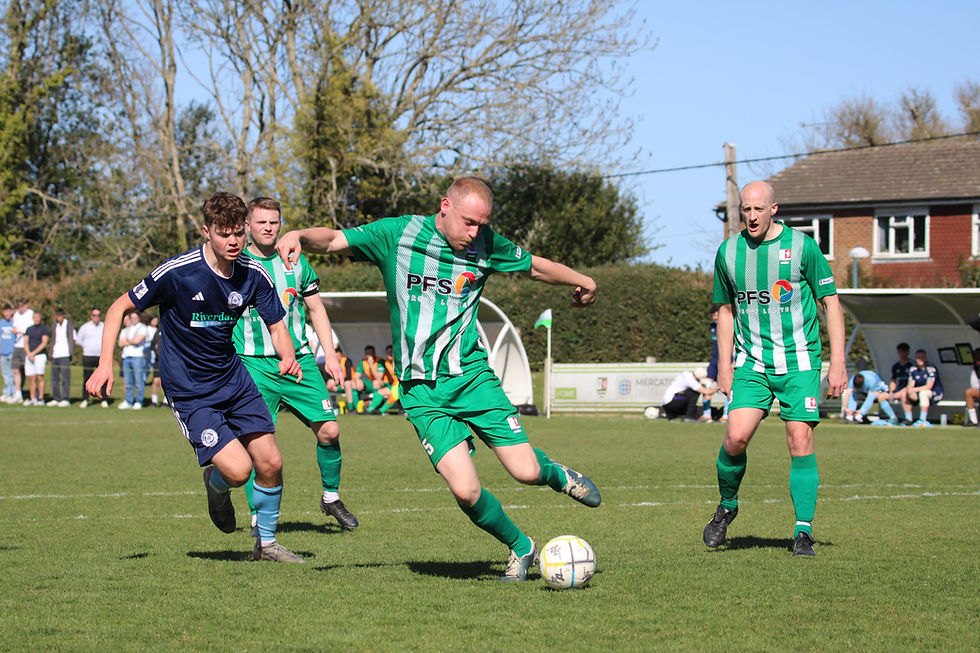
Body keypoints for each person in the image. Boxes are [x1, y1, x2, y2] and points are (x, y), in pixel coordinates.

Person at [276, 175, 602, 581]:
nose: (475, 232)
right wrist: (298, 234)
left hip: (471, 378)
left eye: (482, 224)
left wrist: (584, 281)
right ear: (444, 206)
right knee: (465, 491)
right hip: (421, 391)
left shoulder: (487, 244)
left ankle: (559, 475)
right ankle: (522, 547)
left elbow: (534, 266)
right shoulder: (399, 234)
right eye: (469, 222)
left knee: (527, 472)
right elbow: (334, 240)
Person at [85, 191, 304, 563]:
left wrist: (288, 356)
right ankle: (215, 487)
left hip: (233, 379)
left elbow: (277, 325)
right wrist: (106, 363)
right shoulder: (179, 272)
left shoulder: (253, 275)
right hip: (189, 388)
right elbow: (118, 307)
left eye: (238, 234)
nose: (233, 241)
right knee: (237, 471)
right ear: (207, 232)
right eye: (224, 234)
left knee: (271, 462)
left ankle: (266, 545)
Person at [704, 180, 847, 557]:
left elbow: (831, 303)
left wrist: (838, 364)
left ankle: (802, 532)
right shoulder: (728, 252)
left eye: (757, 209)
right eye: (745, 210)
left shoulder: (802, 247)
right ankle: (727, 506)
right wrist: (723, 367)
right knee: (735, 438)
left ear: (774, 209)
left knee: (800, 439)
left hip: (799, 361)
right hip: (751, 362)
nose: (751, 216)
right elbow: (725, 311)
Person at [233, 196, 358, 531]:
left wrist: (330, 354)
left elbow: (316, 309)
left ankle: (330, 497)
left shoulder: (295, 261)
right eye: (261, 222)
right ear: (247, 225)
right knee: (257, 444)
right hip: (253, 364)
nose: (268, 228)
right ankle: (259, 517)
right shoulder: (234, 265)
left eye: (274, 222)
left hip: (299, 361)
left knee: (330, 430)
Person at [701, 305, 729, 422]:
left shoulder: (729, 326)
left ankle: (726, 415)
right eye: (714, 316)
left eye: (717, 315)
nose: (716, 318)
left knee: (728, 388)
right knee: (706, 385)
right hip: (714, 362)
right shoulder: (712, 326)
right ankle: (707, 414)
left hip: (727, 361)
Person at [76, 308, 108, 408]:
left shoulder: (104, 326)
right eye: (94, 315)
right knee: (87, 378)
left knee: (103, 378)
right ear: (91, 316)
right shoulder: (85, 327)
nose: (96, 317)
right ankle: (85, 399)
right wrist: (87, 346)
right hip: (88, 356)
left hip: (101, 356)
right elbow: (78, 340)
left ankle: (104, 399)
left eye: (98, 315)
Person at [117, 310, 148, 409]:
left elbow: (137, 340)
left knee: (139, 381)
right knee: (128, 382)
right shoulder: (126, 329)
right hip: (126, 357)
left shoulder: (142, 327)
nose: (133, 319)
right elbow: (120, 343)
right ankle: (129, 401)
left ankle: (139, 401)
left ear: (139, 318)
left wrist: (128, 341)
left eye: (135, 317)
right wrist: (130, 341)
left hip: (137, 357)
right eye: (132, 318)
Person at [905, 349, 943, 427]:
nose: (920, 360)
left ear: (925, 358)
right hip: (918, 391)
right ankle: (908, 419)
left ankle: (922, 420)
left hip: (935, 393)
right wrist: (910, 391)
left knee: (924, 393)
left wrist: (914, 390)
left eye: (922, 357)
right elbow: (910, 385)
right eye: (918, 358)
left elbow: (929, 386)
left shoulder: (930, 368)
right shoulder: (913, 369)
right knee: (905, 393)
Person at [47, 308, 76, 407]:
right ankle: (56, 398)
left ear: (64, 315)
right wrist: (50, 353)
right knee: (54, 379)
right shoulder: (54, 325)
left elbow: (73, 339)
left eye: (61, 315)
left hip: (65, 354)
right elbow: (53, 340)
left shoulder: (69, 325)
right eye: (57, 315)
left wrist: (71, 352)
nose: (59, 317)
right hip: (55, 354)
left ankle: (65, 398)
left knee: (65, 379)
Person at [24, 311, 50, 406]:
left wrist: (34, 353)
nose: (36, 319)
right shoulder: (29, 329)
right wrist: (29, 354)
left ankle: (41, 398)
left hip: (39, 355)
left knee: (39, 377)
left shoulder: (44, 328)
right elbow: (25, 342)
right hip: (29, 356)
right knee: (31, 378)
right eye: (35, 317)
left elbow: (44, 343)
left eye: (38, 317)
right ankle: (32, 398)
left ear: (40, 318)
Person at [11, 298, 34, 403]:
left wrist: (21, 332)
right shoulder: (16, 315)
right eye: (18, 306)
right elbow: (15, 327)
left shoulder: (31, 314)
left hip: (27, 345)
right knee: (15, 369)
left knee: (26, 371)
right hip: (17, 345)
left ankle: (29, 393)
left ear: (26, 305)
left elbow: (31, 330)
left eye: (22, 306)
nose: (20, 308)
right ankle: (17, 392)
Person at [359, 345, 393, 414]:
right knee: (353, 384)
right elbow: (356, 375)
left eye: (391, 352)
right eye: (388, 352)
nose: (390, 354)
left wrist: (371, 366)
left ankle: (377, 409)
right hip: (378, 384)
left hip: (391, 384)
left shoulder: (381, 361)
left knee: (377, 383)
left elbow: (379, 377)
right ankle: (363, 409)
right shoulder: (387, 362)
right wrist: (356, 381)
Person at [889, 342, 915, 424]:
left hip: (909, 391)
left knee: (904, 394)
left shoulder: (912, 365)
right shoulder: (896, 366)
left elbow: (912, 383)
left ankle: (908, 419)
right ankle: (892, 418)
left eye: (904, 352)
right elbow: (893, 380)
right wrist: (891, 392)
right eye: (900, 352)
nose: (902, 354)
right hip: (898, 391)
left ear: (908, 352)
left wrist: (900, 392)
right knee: (881, 396)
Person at [145, 315, 164, 406]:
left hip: (168, 361)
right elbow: (153, 345)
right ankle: (154, 401)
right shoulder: (158, 331)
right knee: (156, 381)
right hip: (158, 360)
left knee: (167, 381)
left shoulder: (170, 330)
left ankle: (166, 401)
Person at [0, 304, 15, 403]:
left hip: (13, 351)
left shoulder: (15, 323)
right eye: (5, 311)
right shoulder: (1, 323)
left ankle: (13, 393)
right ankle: (6, 393)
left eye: (9, 311)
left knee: (13, 374)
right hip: (3, 352)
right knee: (5, 374)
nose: (7, 313)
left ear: (11, 312)